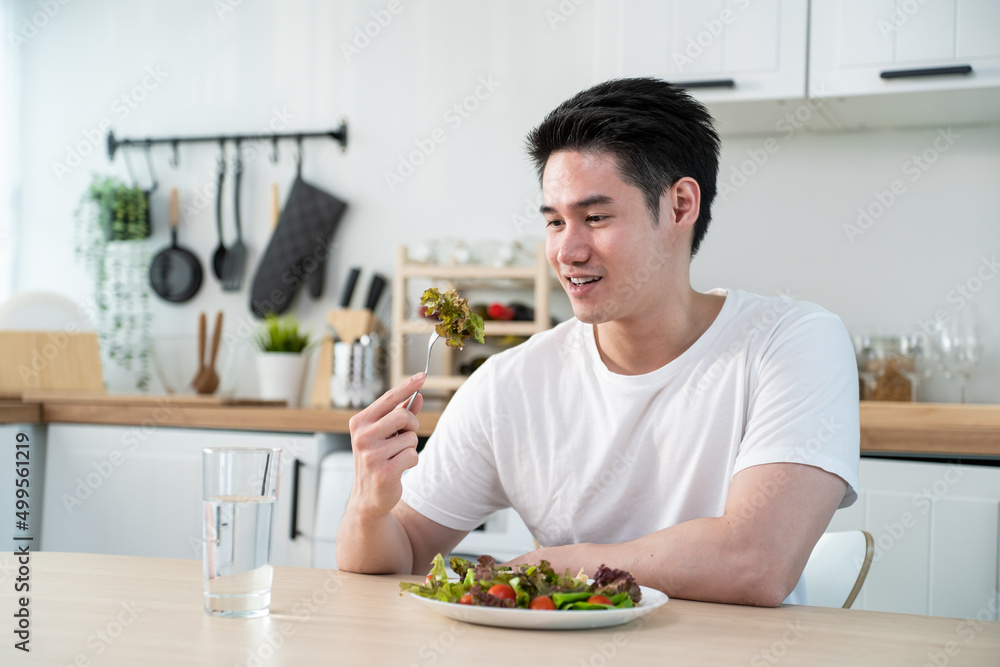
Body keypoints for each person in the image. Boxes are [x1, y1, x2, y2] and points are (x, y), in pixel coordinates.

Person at [337, 77, 859, 607]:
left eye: (595, 218)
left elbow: (756, 562)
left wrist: (555, 565)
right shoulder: (509, 383)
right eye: (555, 222)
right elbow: (395, 555)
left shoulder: (791, 344)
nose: (568, 250)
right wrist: (368, 505)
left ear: (680, 206)